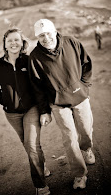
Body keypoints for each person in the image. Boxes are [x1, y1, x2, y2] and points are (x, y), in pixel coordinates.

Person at [28, 19, 95, 190]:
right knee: (70, 138)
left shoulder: (71, 41)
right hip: (58, 103)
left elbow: (86, 62)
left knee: (85, 130)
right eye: (41, 35)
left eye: (48, 33)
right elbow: (37, 88)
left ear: (55, 31)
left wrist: (84, 86)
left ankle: (86, 149)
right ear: (37, 37)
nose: (46, 38)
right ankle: (80, 175)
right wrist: (44, 111)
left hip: (79, 96)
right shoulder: (35, 57)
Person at [0, 28, 51, 195]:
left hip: (31, 109)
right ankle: (41, 165)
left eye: (17, 40)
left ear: (22, 43)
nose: (13, 43)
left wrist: (44, 110)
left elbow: (39, 87)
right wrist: (3, 100)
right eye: (10, 40)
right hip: (12, 114)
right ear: (5, 44)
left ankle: (40, 186)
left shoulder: (29, 61)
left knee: (31, 144)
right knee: (28, 145)